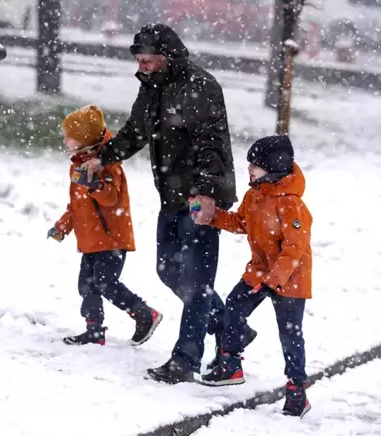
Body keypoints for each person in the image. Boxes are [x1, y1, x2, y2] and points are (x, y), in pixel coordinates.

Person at [79, 23, 256, 384]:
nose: (141, 67)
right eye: (139, 61)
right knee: (168, 270)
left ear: (168, 58)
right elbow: (135, 131)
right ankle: (226, 325)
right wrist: (104, 158)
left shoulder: (200, 87)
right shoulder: (152, 88)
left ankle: (186, 361)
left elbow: (212, 145)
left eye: (147, 61)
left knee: (197, 282)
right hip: (172, 195)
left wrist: (206, 194)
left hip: (200, 199)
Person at [194, 135, 313, 418]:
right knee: (235, 304)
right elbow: (241, 222)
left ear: (273, 167)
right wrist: (211, 216)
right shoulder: (255, 195)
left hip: (290, 278)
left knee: (290, 334)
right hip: (261, 271)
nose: (249, 168)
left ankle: (297, 391)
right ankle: (230, 364)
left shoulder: (292, 205)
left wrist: (274, 282)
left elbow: (294, 250)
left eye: (255, 165)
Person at [48, 104, 163, 347]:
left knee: (105, 283)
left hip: (111, 238)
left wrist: (94, 186)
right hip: (91, 239)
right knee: (86, 285)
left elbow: (110, 198)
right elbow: (77, 205)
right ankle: (94, 330)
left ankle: (144, 314)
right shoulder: (79, 165)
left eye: (69, 137)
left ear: (84, 140)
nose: (65, 140)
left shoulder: (108, 166)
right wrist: (62, 226)